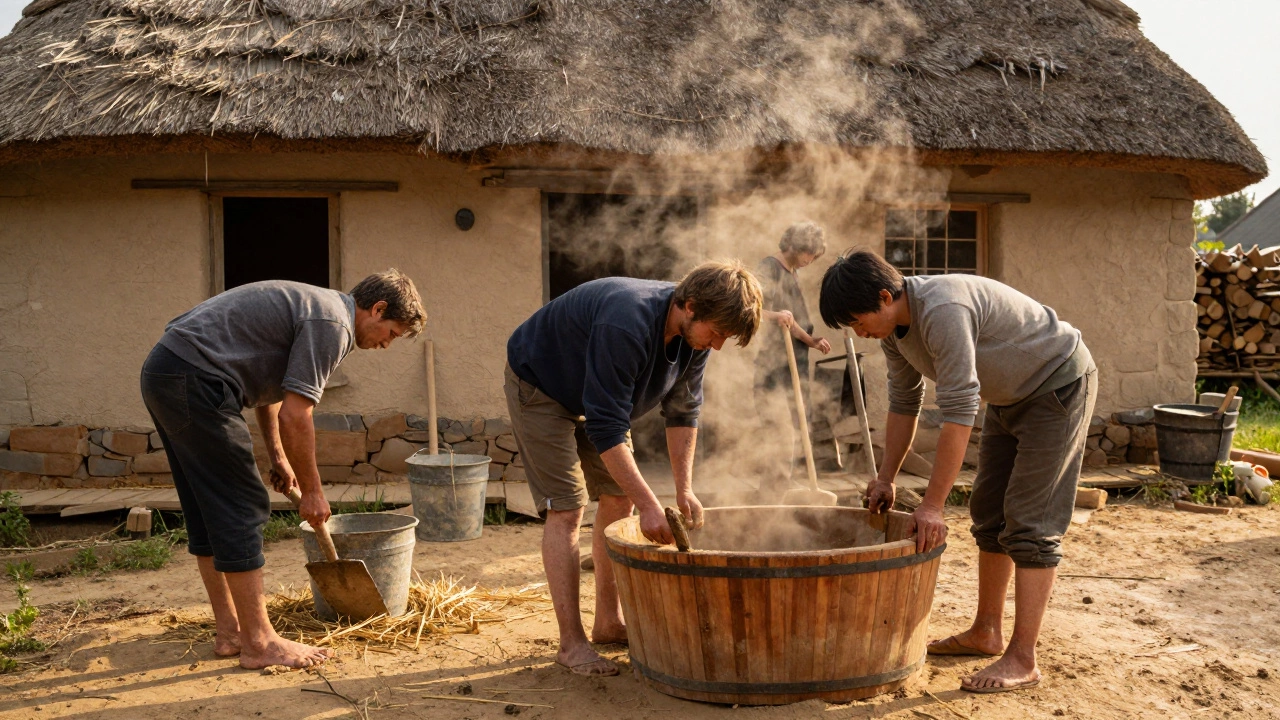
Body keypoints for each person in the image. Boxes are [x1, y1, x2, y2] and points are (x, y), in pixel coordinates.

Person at [818, 250, 1096, 694]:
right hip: (1009, 398)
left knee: (1030, 523)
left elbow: (960, 407)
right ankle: (987, 632)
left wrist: (931, 506)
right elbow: (904, 404)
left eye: (856, 322)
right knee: (989, 515)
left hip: (1056, 385)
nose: (859, 333)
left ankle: (1024, 658)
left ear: (885, 297)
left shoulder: (943, 308)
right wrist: (887, 476)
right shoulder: (893, 332)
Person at [140, 270, 426, 669]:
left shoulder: (318, 308)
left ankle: (231, 632)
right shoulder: (333, 325)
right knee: (241, 505)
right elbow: (297, 414)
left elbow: (272, 391)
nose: (386, 345)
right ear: (377, 310)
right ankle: (259, 643)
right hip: (195, 378)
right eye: (392, 333)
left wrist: (278, 457)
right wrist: (313, 490)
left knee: (209, 508)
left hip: (168, 371)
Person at [505, 261, 762, 677]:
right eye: (716, 333)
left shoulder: (694, 340)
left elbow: (682, 411)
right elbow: (606, 424)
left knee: (620, 496)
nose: (717, 345)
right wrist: (650, 505)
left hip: (595, 398)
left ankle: (609, 622)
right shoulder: (627, 322)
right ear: (689, 305)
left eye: (725, 338)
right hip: (542, 385)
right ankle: (571, 645)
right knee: (568, 508)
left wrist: (684, 490)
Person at [753, 221, 833, 493]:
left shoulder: (793, 273)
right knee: (779, 430)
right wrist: (776, 316)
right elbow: (750, 309)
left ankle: (783, 487)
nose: (811, 260)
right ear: (796, 246)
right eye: (809, 253)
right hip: (774, 364)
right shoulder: (769, 269)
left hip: (793, 361)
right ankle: (770, 493)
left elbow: (791, 319)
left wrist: (811, 340)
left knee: (796, 425)